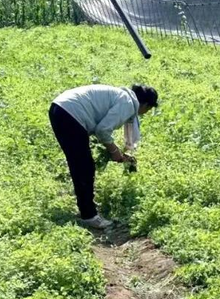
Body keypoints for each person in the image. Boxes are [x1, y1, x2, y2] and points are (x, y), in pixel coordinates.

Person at [49, 84, 158, 229]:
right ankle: (89, 216)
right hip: (70, 113)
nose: (145, 113)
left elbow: (99, 128)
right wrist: (114, 151)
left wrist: (114, 150)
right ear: (144, 104)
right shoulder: (128, 103)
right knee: (84, 167)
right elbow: (102, 130)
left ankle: (86, 208)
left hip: (60, 109)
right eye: (148, 109)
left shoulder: (123, 96)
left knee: (79, 164)